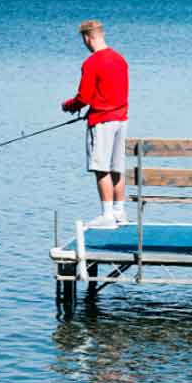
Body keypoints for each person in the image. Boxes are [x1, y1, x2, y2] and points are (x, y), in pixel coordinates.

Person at [62, 20, 129, 229]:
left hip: (101, 122)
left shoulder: (91, 63)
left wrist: (68, 106)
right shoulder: (120, 59)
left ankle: (107, 215)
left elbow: (83, 97)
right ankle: (119, 212)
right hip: (121, 119)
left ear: (87, 38)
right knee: (117, 167)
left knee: (101, 168)